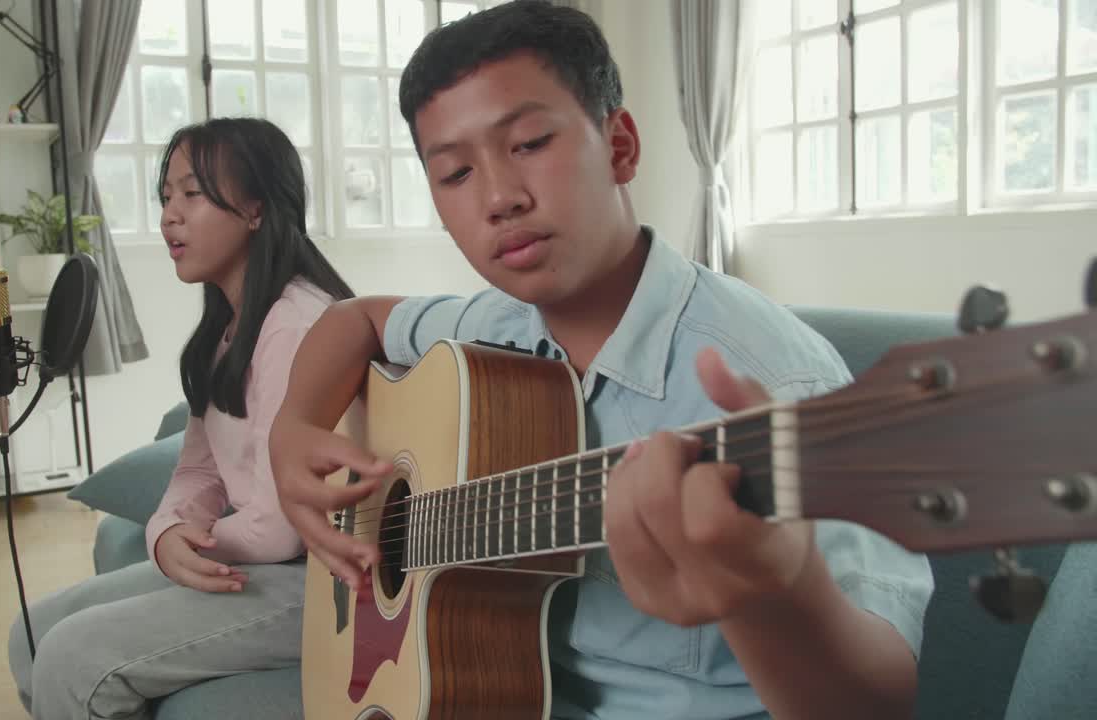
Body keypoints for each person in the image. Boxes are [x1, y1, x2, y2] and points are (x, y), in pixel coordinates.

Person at [268, 2, 934, 718]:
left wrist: (773, 592)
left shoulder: (779, 388)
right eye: (455, 173)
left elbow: (880, 700)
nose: (499, 197)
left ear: (618, 145)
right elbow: (356, 317)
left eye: (528, 143)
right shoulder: (490, 331)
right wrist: (293, 427)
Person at [8, 116, 353, 719]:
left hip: (315, 582)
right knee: (31, 633)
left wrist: (193, 542)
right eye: (166, 196)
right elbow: (199, 469)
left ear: (255, 209)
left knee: (69, 656)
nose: (169, 214)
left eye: (192, 194)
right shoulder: (225, 329)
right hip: (262, 561)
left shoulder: (297, 325)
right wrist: (167, 531)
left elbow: (280, 530)